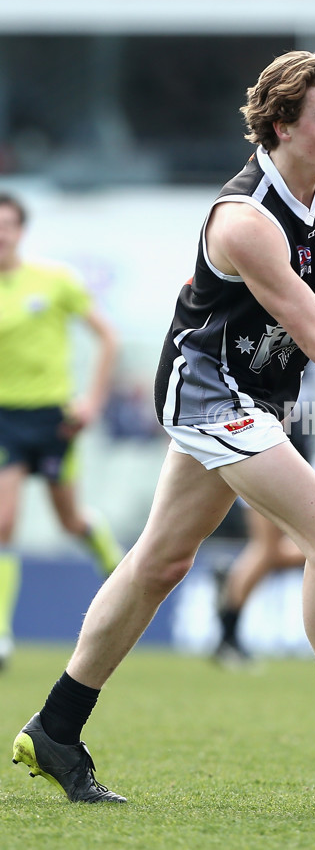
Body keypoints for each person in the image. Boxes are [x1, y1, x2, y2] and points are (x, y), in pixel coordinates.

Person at [12, 51, 315, 805]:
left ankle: (54, 728)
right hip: (208, 389)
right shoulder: (243, 220)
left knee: (162, 562)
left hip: (266, 388)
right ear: (282, 125)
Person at [0, 192, 121, 669]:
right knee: (3, 523)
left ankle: (113, 563)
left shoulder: (53, 281)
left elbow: (107, 336)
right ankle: (2, 635)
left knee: (70, 522)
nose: (1, 233)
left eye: (8, 224)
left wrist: (92, 401)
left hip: (54, 418)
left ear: (21, 231)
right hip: (5, 420)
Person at [212, 415, 311, 666]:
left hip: (280, 451)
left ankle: (232, 581)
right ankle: (228, 637)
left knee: (277, 552)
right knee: (269, 551)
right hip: (267, 452)